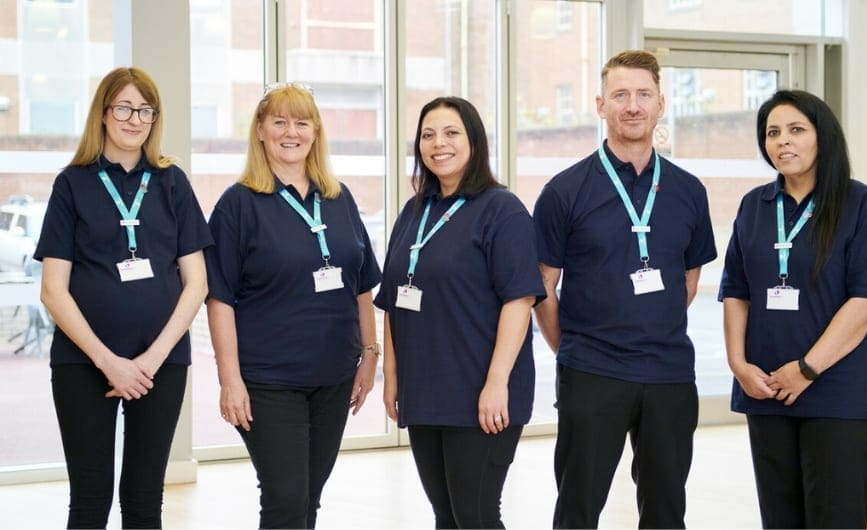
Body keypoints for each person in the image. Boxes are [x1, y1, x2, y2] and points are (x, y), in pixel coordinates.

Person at [533, 50, 717, 529]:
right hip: (592, 371)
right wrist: (571, 347)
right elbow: (543, 287)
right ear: (600, 105)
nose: (632, 105)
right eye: (620, 95)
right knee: (578, 507)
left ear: (661, 104)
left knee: (665, 509)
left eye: (642, 94)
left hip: (669, 374)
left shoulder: (688, 190)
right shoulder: (564, 191)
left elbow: (689, 279)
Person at [34, 66, 212, 529]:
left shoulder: (173, 182)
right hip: (82, 362)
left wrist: (150, 360)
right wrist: (108, 362)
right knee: (90, 499)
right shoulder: (72, 184)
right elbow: (53, 290)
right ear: (104, 114)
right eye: (125, 108)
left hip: (162, 365)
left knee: (143, 498)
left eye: (146, 110)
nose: (135, 119)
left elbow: (197, 284)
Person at [719, 89, 867, 528]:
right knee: (780, 519)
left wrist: (807, 368)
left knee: (836, 516)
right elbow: (736, 291)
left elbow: (866, 300)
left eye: (797, 130)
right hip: (767, 390)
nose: (784, 141)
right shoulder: (753, 206)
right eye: (773, 133)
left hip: (836, 392)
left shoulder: (858, 203)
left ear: (822, 137)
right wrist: (739, 364)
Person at [205, 83, 381, 529]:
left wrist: (369, 356)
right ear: (260, 130)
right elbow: (219, 299)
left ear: (316, 132)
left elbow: (362, 286)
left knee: (309, 499)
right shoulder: (237, 205)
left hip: (334, 376)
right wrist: (230, 381)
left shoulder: (339, 199)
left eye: (302, 122)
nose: (291, 132)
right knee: (285, 500)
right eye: (279, 121)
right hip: (268, 381)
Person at [374, 96, 544, 529]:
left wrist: (496, 383)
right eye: (428, 135)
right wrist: (393, 378)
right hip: (425, 391)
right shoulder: (414, 212)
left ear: (474, 142)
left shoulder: (502, 210)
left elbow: (519, 301)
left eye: (451, 133)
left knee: (476, 515)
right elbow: (395, 301)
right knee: (446, 515)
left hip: (480, 391)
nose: (438, 144)